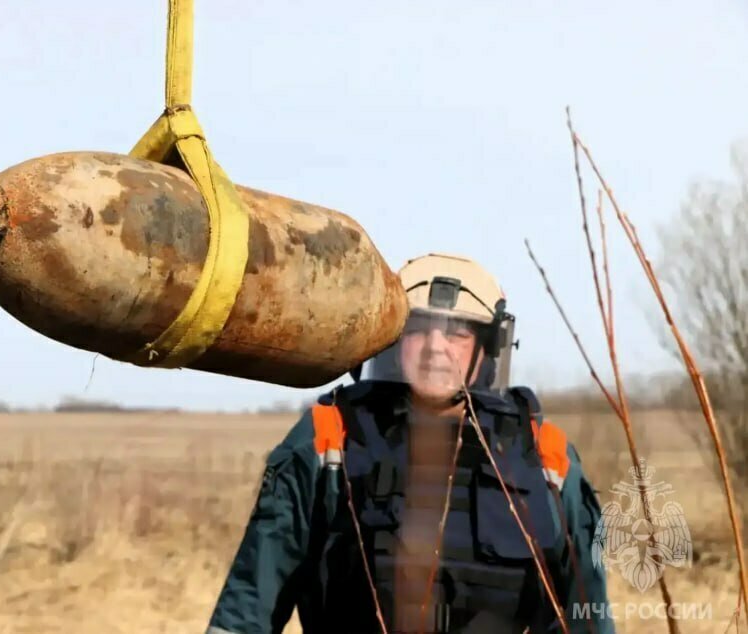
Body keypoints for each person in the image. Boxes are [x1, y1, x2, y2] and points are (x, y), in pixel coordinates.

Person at [206, 253, 613, 634]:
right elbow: (250, 604)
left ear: (487, 347)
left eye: (457, 333)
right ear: (393, 340)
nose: (435, 348)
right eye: (417, 329)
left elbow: (586, 613)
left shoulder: (543, 454)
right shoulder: (331, 435)